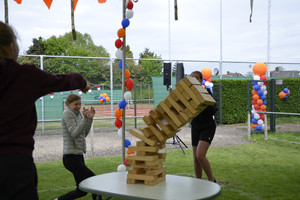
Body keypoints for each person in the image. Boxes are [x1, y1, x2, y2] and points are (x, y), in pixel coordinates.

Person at [0, 21, 92, 200]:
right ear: (11, 47)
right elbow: (63, 80)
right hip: (14, 165)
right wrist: (83, 83)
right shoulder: (22, 75)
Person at [55, 94, 98, 200]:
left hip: (78, 156)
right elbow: (74, 133)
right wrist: (84, 119)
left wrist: (89, 119)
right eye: (75, 104)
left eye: (80, 104)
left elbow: (84, 133)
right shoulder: (67, 113)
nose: (78, 106)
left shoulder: (78, 114)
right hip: (70, 158)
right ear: (68, 104)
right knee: (93, 180)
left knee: (81, 191)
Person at [190, 71, 217, 183]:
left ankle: (212, 181)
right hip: (195, 126)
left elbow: (214, 109)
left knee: (200, 155)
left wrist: (203, 103)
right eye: (192, 78)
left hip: (208, 126)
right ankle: (198, 182)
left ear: (201, 80)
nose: (195, 80)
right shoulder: (189, 95)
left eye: (197, 78)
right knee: (196, 159)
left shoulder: (207, 92)